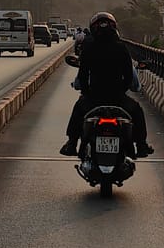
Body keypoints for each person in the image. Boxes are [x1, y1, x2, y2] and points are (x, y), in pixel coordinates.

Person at [59, 11, 154, 158]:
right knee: (137, 111)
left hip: (94, 97)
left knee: (78, 109)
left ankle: (71, 144)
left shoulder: (89, 48)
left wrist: (86, 93)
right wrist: (120, 91)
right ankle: (141, 145)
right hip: (117, 98)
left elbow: (83, 76)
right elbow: (128, 77)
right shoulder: (121, 48)